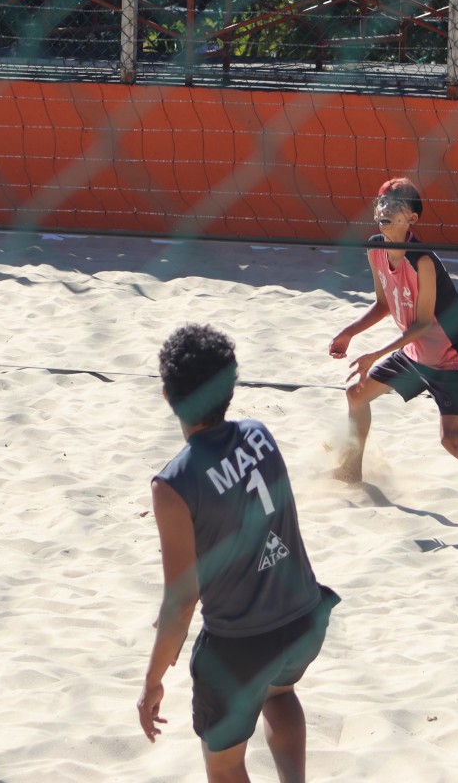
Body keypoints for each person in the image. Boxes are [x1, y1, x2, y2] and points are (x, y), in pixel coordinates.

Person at [139, 324, 338, 783]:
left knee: (225, 762)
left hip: (238, 647)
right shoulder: (259, 433)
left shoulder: (173, 483)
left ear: (168, 393)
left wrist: (152, 681)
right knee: (279, 692)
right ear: (231, 385)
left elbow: (182, 601)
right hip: (303, 615)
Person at [329, 178, 458, 521]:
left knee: (452, 440)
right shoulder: (375, 248)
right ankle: (351, 471)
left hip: (451, 357)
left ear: (413, 219)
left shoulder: (422, 260)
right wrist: (348, 332)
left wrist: (375, 354)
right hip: (416, 353)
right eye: (381, 202)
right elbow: (384, 303)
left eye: (396, 204)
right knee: (356, 392)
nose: (385, 209)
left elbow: (423, 322)